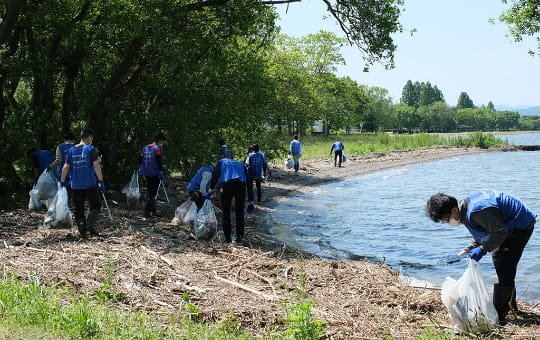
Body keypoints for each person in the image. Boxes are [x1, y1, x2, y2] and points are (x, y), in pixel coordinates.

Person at [426, 190, 536, 325]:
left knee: (504, 262)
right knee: (501, 260)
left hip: (520, 224)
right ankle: (510, 305)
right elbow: (482, 236)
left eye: (446, 219)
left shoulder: (476, 211)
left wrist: (483, 249)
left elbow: (500, 232)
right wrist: (462, 253)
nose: (447, 222)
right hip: (504, 226)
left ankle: (501, 314)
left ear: (454, 210)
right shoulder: (464, 212)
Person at [60, 128, 104, 239]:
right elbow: (96, 166)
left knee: (78, 208)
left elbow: (66, 167)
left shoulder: (71, 150)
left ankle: (82, 233)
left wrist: (62, 181)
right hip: (90, 183)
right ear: (89, 137)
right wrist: (101, 181)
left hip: (75, 185)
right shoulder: (91, 149)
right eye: (92, 138)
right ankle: (89, 225)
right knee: (96, 204)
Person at [208, 156, 249, 244]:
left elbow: (215, 175)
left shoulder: (221, 162)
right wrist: (251, 199)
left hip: (227, 186)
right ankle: (239, 238)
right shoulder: (240, 163)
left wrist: (211, 188)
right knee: (240, 214)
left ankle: (228, 239)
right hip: (241, 186)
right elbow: (248, 179)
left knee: (226, 213)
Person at [139, 132, 167, 218]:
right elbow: (159, 160)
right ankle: (147, 213)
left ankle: (153, 211)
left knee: (151, 191)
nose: (163, 143)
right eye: (163, 141)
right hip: (155, 172)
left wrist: (139, 166)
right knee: (153, 194)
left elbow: (140, 157)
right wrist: (161, 171)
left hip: (146, 172)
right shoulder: (157, 148)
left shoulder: (145, 147)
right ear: (160, 140)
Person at [245, 144, 268, 210]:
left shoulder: (250, 155)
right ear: (258, 149)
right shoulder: (261, 155)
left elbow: (247, 164)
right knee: (258, 187)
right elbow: (264, 163)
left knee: (250, 187)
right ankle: (259, 201)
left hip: (251, 173)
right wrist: (266, 171)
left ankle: (251, 200)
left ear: (252, 149)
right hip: (258, 173)